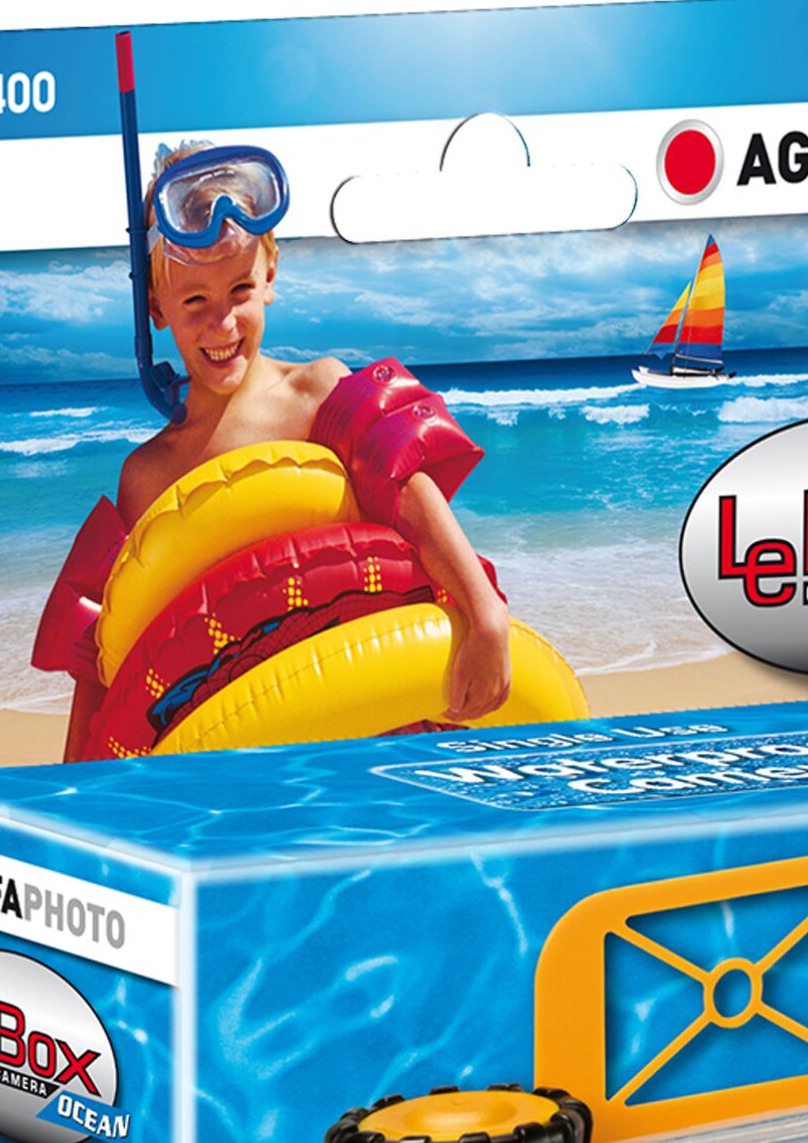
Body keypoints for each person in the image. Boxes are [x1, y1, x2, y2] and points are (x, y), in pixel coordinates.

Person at [35, 142, 510, 757]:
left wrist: (485, 613)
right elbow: (109, 649)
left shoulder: (317, 393)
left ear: (270, 278)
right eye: (194, 301)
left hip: (368, 710)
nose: (222, 324)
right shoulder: (150, 474)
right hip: (237, 743)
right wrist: (79, 786)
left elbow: (409, 494)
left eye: (239, 290)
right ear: (155, 307)